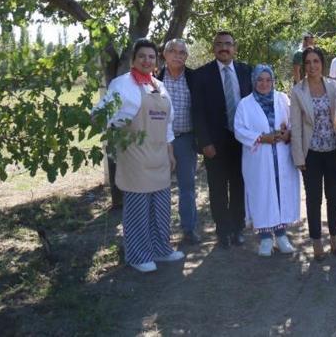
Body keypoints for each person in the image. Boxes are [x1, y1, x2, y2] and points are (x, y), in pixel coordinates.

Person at [95, 38, 184, 272]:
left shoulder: (159, 86)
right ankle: (138, 255)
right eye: (142, 56)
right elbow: (100, 114)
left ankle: (161, 249)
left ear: (156, 61)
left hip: (159, 156)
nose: (147, 60)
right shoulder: (121, 84)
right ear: (134, 59)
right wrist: (115, 130)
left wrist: (171, 153)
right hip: (134, 156)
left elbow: (167, 124)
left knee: (161, 207)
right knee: (138, 209)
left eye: (151, 57)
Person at [191, 31, 252, 248]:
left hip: (242, 140)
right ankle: (222, 231)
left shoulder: (247, 71)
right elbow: (197, 112)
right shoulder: (201, 75)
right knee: (217, 188)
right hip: (214, 143)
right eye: (219, 44)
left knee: (239, 185)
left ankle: (238, 228)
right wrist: (204, 142)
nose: (223, 48)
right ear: (213, 48)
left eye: (228, 44)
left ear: (235, 48)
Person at [234, 65, 300, 256]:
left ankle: (281, 235)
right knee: (262, 193)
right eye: (260, 80)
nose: (264, 84)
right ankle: (264, 237)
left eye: (268, 80)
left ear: (273, 81)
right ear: (254, 82)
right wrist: (262, 138)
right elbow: (239, 130)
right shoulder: (245, 104)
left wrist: (287, 133)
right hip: (259, 159)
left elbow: (293, 122)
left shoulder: (282, 98)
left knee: (280, 192)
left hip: (281, 156)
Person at [290, 46, 336, 260]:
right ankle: (316, 242)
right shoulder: (297, 91)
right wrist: (298, 157)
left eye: (316, 62)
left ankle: (333, 238)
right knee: (314, 199)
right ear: (304, 66)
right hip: (310, 153)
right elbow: (295, 126)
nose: (312, 66)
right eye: (308, 62)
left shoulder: (334, 87)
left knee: (334, 197)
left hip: (333, 151)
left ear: (322, 64)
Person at [157, 38, 200, 245]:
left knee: (187, 187)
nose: (177, 55)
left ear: (186, 57)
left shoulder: (194, 78)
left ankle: (189, 229)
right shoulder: (154, 79)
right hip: (158, 142)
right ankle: (161, 233)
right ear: (164, 54)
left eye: (182, 52)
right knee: (159, 187)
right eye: (172, 51)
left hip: (185, 139)